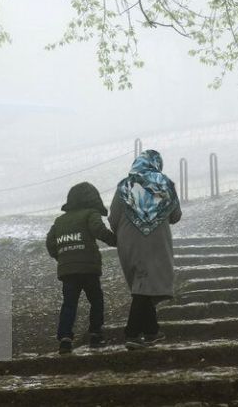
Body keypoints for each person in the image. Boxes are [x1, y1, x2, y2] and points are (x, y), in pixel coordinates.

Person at [109, 150, 182, 350]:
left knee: (142, 283)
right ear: (156, 164)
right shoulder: (164, 184)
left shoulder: (124, 186)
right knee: (146, 284)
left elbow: (113, 218)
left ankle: (152, 331)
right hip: (157, 242)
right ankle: (132, 333)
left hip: (129, 242)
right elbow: (175, 216)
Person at [46, 181, 117, 354]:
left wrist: (63, 257)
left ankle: (65, 339)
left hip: (68, 270)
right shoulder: (90, 213)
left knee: (69, 304)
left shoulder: (60, 220)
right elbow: (99, 230)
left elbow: (50, 243)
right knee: (96, 300)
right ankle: (95, 333)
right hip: (88, 268)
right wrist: (117, 241)